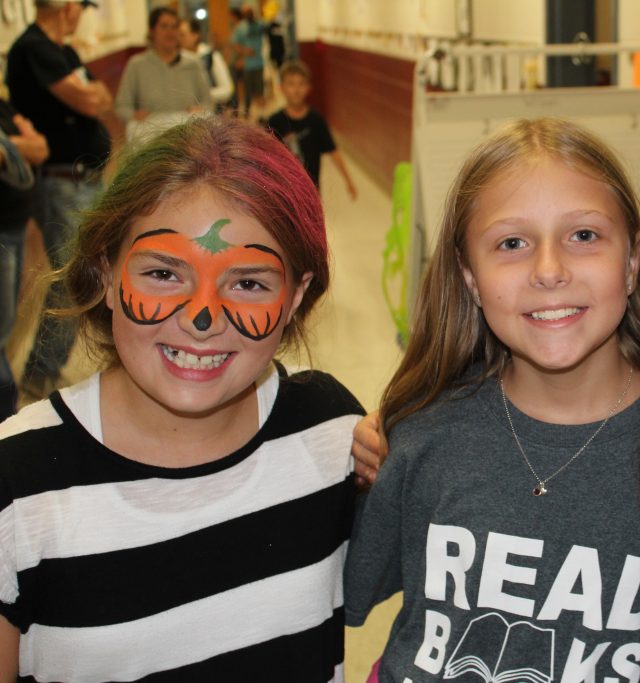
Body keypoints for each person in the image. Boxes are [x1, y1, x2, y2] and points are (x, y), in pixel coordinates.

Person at [0, 116, 363, 681]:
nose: (202, 318)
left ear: (295, 298)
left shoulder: (332, 431)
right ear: (106, 273)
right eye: (164, 273)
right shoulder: (16, 480)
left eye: (248, 283)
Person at [344, 118, 640, 682]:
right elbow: (336, 587)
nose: (549, 271)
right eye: (512, 243)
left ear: (633, 261)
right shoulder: (424, 428)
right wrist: (354, 475)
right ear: (470, 277)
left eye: (584, 236)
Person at [5, 0, 112, 402]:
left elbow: (100, 95)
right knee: (73, 279)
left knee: (86, 274)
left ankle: (44, 369)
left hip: (85, 180)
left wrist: (90, 94)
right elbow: (91, 101)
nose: (81, 14)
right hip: (61, 182)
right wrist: (89, 95)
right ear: (66, 7)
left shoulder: (63, 51)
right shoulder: (34, 48)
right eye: (80, 7)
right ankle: (40, 372)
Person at [0, 104, 48, 420]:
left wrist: (10, 147)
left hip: (13, 226)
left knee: (6, 329)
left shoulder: (3, 106)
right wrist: (18, 145)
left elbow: (40, 148)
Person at [115, 7, 212, 142]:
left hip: (187, 138)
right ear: (152, 31)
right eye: (164, 26)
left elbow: (208, 102)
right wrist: (133, 115)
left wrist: (200, 110)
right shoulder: (137, 65)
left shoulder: (193, 63)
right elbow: (122, 107)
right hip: (151, 139)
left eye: (174, 27)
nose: (170, 32)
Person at [267, 60, 357, 197]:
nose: (296, 90)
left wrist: (348, 180)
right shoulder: (274, 121)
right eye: (291, 84)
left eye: (301, 84)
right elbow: (267, 157)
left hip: (312, 192)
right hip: (286, 192)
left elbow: (333, 151)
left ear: (308, 87)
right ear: (281, 88)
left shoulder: (316, 120)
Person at [179, 18, 234, 109]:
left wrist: (201, 96)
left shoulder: (211, 56)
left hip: (210, 111)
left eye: (182, 35)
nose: (179, 39)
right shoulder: (177, 60)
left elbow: (227, 89)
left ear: (195, 35)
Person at [229, 5, 265, 119]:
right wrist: (245, 51)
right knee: (247, 92)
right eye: (246, 12)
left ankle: (262, 116)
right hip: (247, 65)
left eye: (250, 11)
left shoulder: (260, 25)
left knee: (260, 91)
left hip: (259, 63)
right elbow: (235, 44)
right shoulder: (240, 28)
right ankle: (246, 114)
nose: (249, 14)